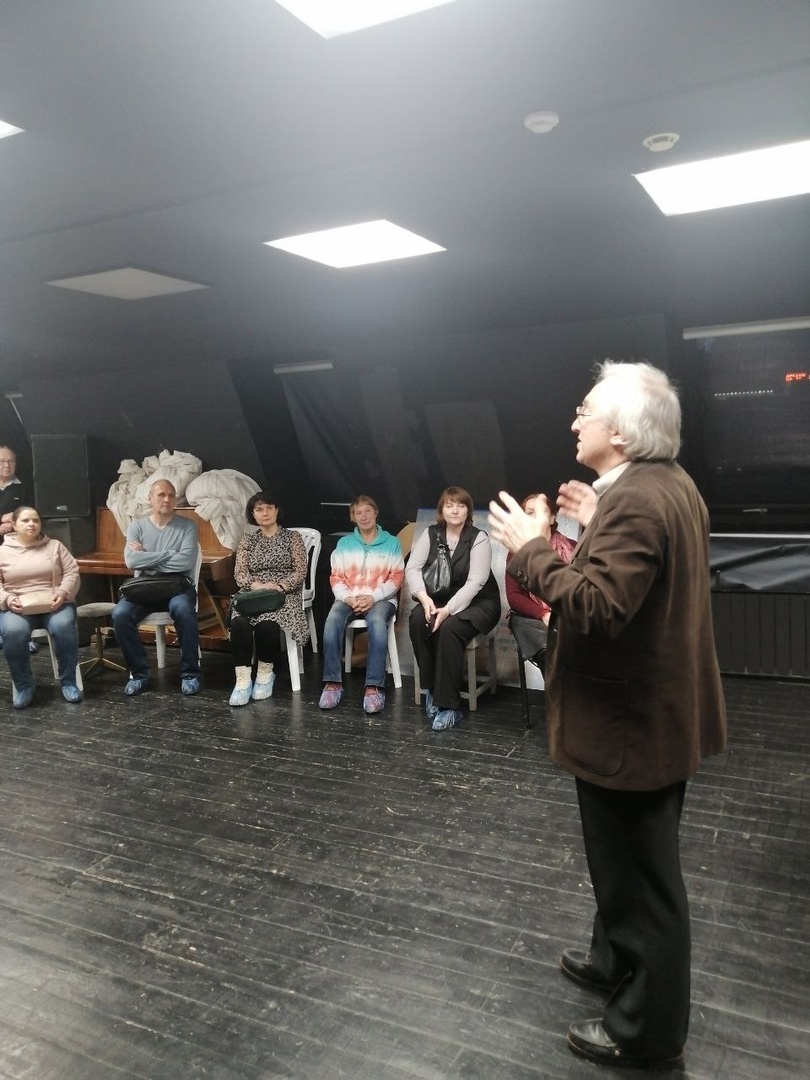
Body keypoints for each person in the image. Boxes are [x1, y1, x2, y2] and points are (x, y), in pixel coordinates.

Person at [489, 361, 727, 1070]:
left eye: (585, 409)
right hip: (651, 717)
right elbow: (638, 577)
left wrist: (529, 548)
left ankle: (644, 1031)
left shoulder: (638, 502)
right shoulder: (663, 485)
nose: (575, 420)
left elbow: (595, 607)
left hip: (631, 727)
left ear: (620, 432)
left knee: (644, 885)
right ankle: (611, 956)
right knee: (623, 867)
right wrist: (595, 524)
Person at [406, 486, 500, 731]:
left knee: (448, 629)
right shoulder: (431, 534)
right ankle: (432, 689)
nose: (455, 510)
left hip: (479, 602)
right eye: (449, 505)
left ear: (468, 510)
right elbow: (412, 568)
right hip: (438, 597)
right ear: (442, 510)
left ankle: (449, 706)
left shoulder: (478, 538)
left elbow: (476, 582)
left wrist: (448, 610)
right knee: (417, 619)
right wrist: (423, 598)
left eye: (460, 505)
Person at [111, 478, 201, 696]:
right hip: (145, 588)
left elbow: (185, 562)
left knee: (183, 610)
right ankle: (139, 674)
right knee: (120, 614)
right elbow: (131, 561)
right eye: (161, 494)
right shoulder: (137, 526)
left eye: (171, 495)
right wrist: (169, 554)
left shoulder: (188, 526)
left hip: (177, 586)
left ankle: (190, 674)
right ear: (150, 498)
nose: (167, 499)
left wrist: (146, 556)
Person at [319, 495, 404, 715]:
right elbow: (336, 577)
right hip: (349, 597)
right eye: (358, 513)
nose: (364, 516)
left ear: (376, 512)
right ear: (352, 517)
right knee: (332, 620)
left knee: (376, 621)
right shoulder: (344, 544)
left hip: (381, 599)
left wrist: (373, 597)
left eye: (368, 511)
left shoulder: (392, 543)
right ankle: (332, 683)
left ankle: (374, 687)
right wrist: (348, 598)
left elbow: (396, 578)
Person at [229, 493, 310, 706]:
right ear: (253, 514)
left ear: (276, 510)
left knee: (267, 624)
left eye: (269, 508)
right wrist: (257, 586)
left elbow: (300, 571)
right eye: (259, 509)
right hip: (253, 592)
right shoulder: (248, 540)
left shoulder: (292, 538)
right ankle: (243, 680)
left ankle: (265, 674)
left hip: (283, 593)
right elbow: (240, 573)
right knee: (238, 623)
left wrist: (280, 587)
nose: (265, 513)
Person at [0, 505, 82, 708]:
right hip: (18, 606)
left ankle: (68, 682)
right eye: (25, 520)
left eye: (35, 520)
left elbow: (72, 571)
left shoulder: (54, 546)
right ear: (14, 525)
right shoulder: (3, 552)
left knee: (63, 626)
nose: (32, 524)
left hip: (55, 603)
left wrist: (63, 592)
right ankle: (24, 686)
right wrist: (7, 598)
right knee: (13, 631)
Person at [505, 493, 576, 672]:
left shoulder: (574, 547)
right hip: (534, 619)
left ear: (552, 518)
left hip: (569, 615)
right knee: (551, 653)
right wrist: (543, 614)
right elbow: (514, 596)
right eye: (529, 513)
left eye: (541, 511)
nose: (535, 517)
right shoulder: (516, 551)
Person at [0, 446, 30, 542]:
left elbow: (31, 513)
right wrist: (1, 518)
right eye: (2, 461)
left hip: (16, 540)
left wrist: (14, 524)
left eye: (11, 461)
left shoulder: (25, 488)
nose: (7, 465)